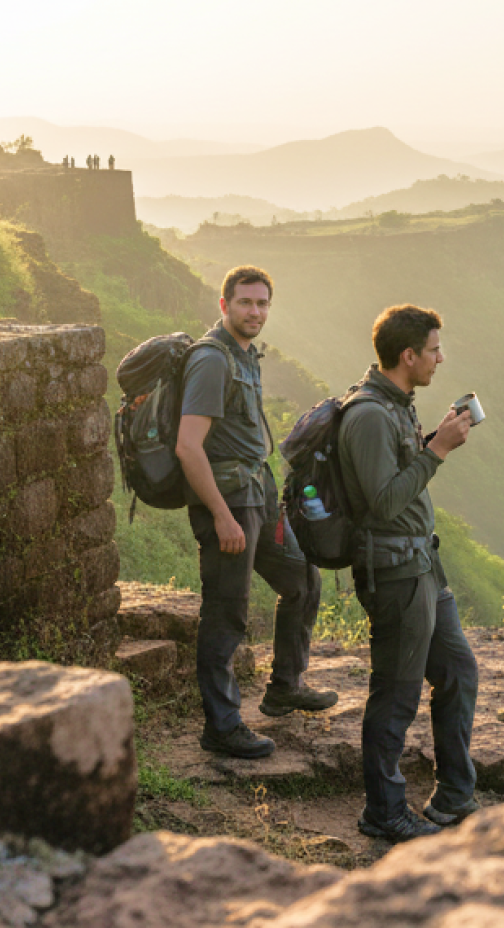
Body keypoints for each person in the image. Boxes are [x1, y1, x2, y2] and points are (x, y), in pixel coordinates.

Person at [175, 266, 337, 760]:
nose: (255, 312)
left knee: (303, 579)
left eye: (263, 303)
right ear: (223, 305)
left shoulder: (247, 356)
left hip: (259, 496)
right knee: (227, 611)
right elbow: (188, 446)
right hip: (230, 502)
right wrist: (222, 516)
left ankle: (285, 686)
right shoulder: (211, 361)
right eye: (245, 302)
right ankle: (222, 726)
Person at [341, 304, 478, 842]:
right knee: (395, 695)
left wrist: (430, 441)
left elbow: (397, 474)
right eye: (434, 350)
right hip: (396, 574)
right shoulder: (371, 414)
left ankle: (454, 795)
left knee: (458, 671)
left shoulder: (396, 403)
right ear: (408, 355)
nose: (440, 359)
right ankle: (384, 811)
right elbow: (382, 503)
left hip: (423, 565)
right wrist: (439, 451)